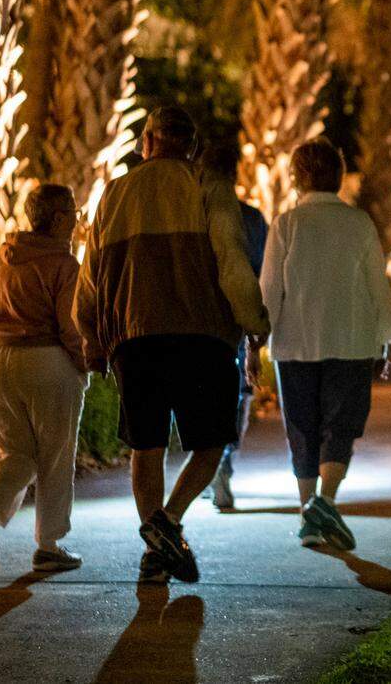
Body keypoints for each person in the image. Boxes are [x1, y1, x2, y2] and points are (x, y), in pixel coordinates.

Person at [74, 107, 270, 584]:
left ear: (147, 142)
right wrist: (253, 323)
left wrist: (91, 337)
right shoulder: (207, 184)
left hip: (134, 336)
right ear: (193, 145)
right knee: (211, 441)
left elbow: (91, 274)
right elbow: (231, 258)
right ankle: (168, 522)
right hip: (201, 334)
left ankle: (154, 543)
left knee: (147, 445)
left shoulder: (115, 194)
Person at [260, 138, 391, 550]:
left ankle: (309, 515)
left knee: (302, 429)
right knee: (340, 428)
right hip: (352, 342)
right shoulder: (358, 223)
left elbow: (269, 291)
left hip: (295, 343)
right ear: (338, 177)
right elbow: (378, 286)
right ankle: (324, 504)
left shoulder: (286, 225)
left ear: (297, 177)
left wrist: (254, 343)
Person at [0, 184, 88, 573]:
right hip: (47, 361)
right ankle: (49, 545)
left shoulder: (1, 259)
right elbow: (70, 327)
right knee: (55, 454)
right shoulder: (63, 264)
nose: (77, 218)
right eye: (73, 212)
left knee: (16, 452)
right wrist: (84, 363)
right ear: (57, 219)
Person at [198, 142, 269, 511]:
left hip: (200, 322)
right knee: (239, 396)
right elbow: (263, 275)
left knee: (204, 396)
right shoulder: (253, 219)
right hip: (238, 322)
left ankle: (210, 465)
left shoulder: (194, 217)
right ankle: (223, 462)